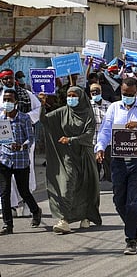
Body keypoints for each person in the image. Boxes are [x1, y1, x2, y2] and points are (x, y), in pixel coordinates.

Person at [95, 77, 137, 255]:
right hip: (118, 160)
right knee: (118, 201)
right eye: (124, 94)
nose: (127, 97)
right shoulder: (114, 108)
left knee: (133, 203)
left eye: (130, 94)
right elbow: (106, 130)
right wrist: (100, 147)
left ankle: (131, 239)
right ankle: (131, 223)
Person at [39, 86, 102, 234]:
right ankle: (64, 220)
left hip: (84, 154)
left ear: (80, 98)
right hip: (67, 156)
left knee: (86, 186)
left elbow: (89, 134)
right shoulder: (63, 112)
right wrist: (42, 105)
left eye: (74, 96)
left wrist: (71, 139)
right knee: (67, 184)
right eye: (69, 95)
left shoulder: (88, 113)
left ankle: (85, 215)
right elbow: (45, 120)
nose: (71, 98)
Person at [0, 89, 42, 235]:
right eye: (5, 99)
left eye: (10, 100)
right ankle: (7, 225)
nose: (7, 103)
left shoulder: (24, 118)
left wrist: (22, 146)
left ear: (16, 102)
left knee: (23, 191)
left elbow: (30, 139)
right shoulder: (1, 119)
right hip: (4, 160)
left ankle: (36, 211)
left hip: (20, 160)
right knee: (4, 193)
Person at [90, 83, 112, 181]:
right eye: (92, 92)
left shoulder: (109, 106)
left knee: (110, 166)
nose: (95, 94)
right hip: (93, 141)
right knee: (94, 168)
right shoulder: (87, 106)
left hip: (108, 142)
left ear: (101, 92)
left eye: (97, 91)